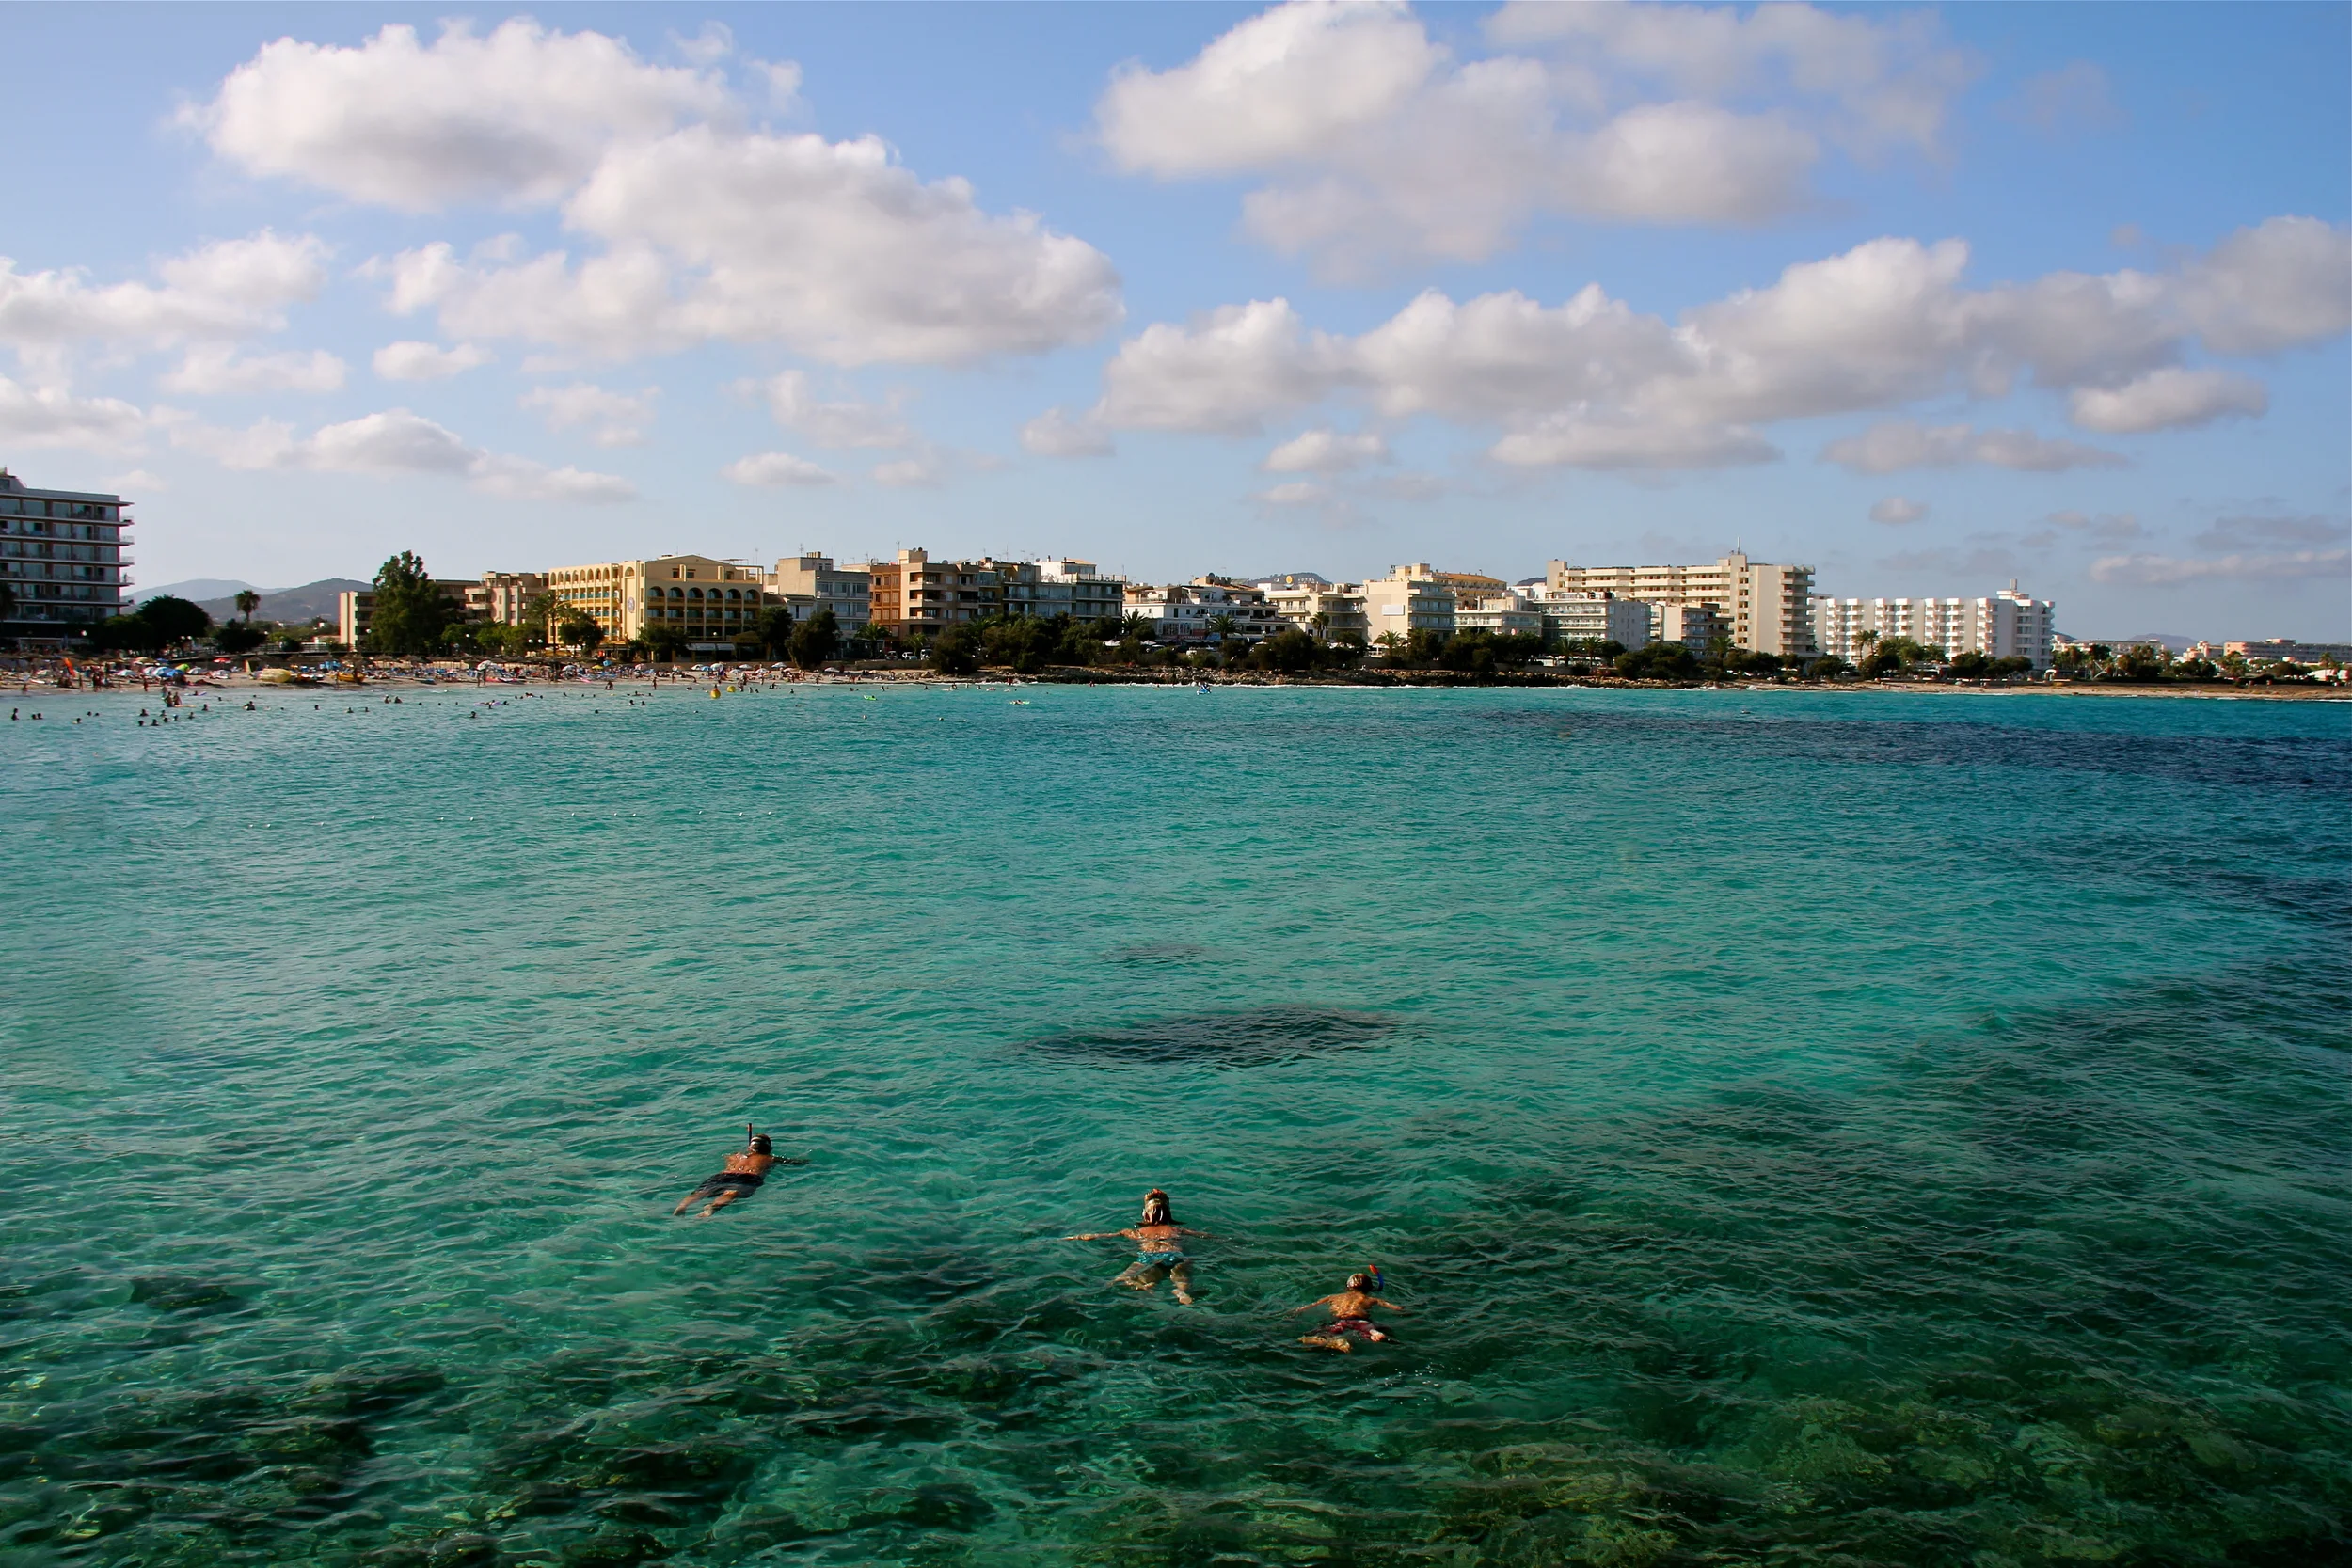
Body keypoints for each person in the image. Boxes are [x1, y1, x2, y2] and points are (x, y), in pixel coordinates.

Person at [1065, 1188, 1215, 1305]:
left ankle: (1146, 1284)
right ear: (1169, 1214)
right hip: (1175, 1255)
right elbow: (1205, 1236)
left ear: (1145, 1215)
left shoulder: (1136, 1232)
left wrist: (1077, 1237)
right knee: (1182, 1276)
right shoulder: (1177, 1230)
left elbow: (1101, 1236)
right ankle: (1181, 1291)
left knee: (1122, 1278)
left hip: (1148, 1257)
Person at [672, 1127, 792, 1217]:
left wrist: (745, 1153)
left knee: (700, 1192)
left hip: (723, 1175)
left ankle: (682, 1206)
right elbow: (793, 1162)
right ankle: (713, 1207)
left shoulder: (735, 1156)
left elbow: (729, 1157)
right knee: (731, 1193)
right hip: (748, 1177)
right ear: (769, 1149)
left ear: (750, 1148)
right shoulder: (770, 1158)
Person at [1291, 1268, 1401, 1352]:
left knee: (1309, 1338)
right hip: (1361, 1322)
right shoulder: (1371, 1299)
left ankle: (1333, 1341)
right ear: (1370, 1289)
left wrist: (1295, 1311)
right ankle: (1374, 1334)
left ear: (1347, 1287)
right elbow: (1396, 1308)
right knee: (1372, 1330)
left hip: (1340, 1322)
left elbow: (1308, 1307)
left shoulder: (1332, 1297)